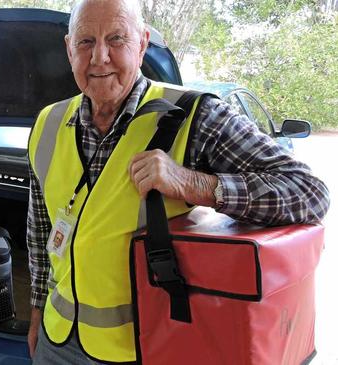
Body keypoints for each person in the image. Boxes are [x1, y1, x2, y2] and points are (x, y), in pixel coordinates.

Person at [25, 0, 330, 363]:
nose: (99, 57)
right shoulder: (48, 122)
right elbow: (41, 228)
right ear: (68, 48)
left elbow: (309, 192)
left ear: (142, 43)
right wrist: (37, 311)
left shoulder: (195, 117)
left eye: (117, 39)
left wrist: (195, 184)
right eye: (86, 41)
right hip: (55, 341)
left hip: (148, 347)